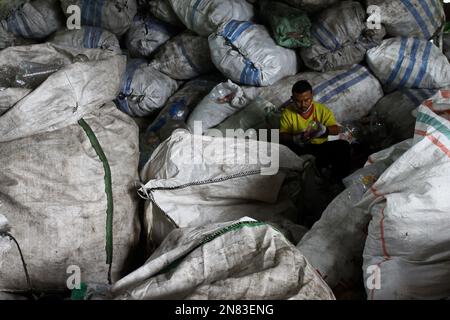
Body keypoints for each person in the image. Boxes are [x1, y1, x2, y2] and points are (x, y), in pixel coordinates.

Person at [279, 80, 351, 181]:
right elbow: (282, 135)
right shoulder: (287, 113)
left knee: (343, 146)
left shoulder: (322, 110)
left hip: (319, 149)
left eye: (307, 100)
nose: (303, 104)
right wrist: (295, 138)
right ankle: (313, 169)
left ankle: (336, 181)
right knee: (282, 148)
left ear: (312, 96)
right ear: (292, 99)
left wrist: (324, 130)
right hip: (300, 149)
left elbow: (336, 129)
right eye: (298, 101)